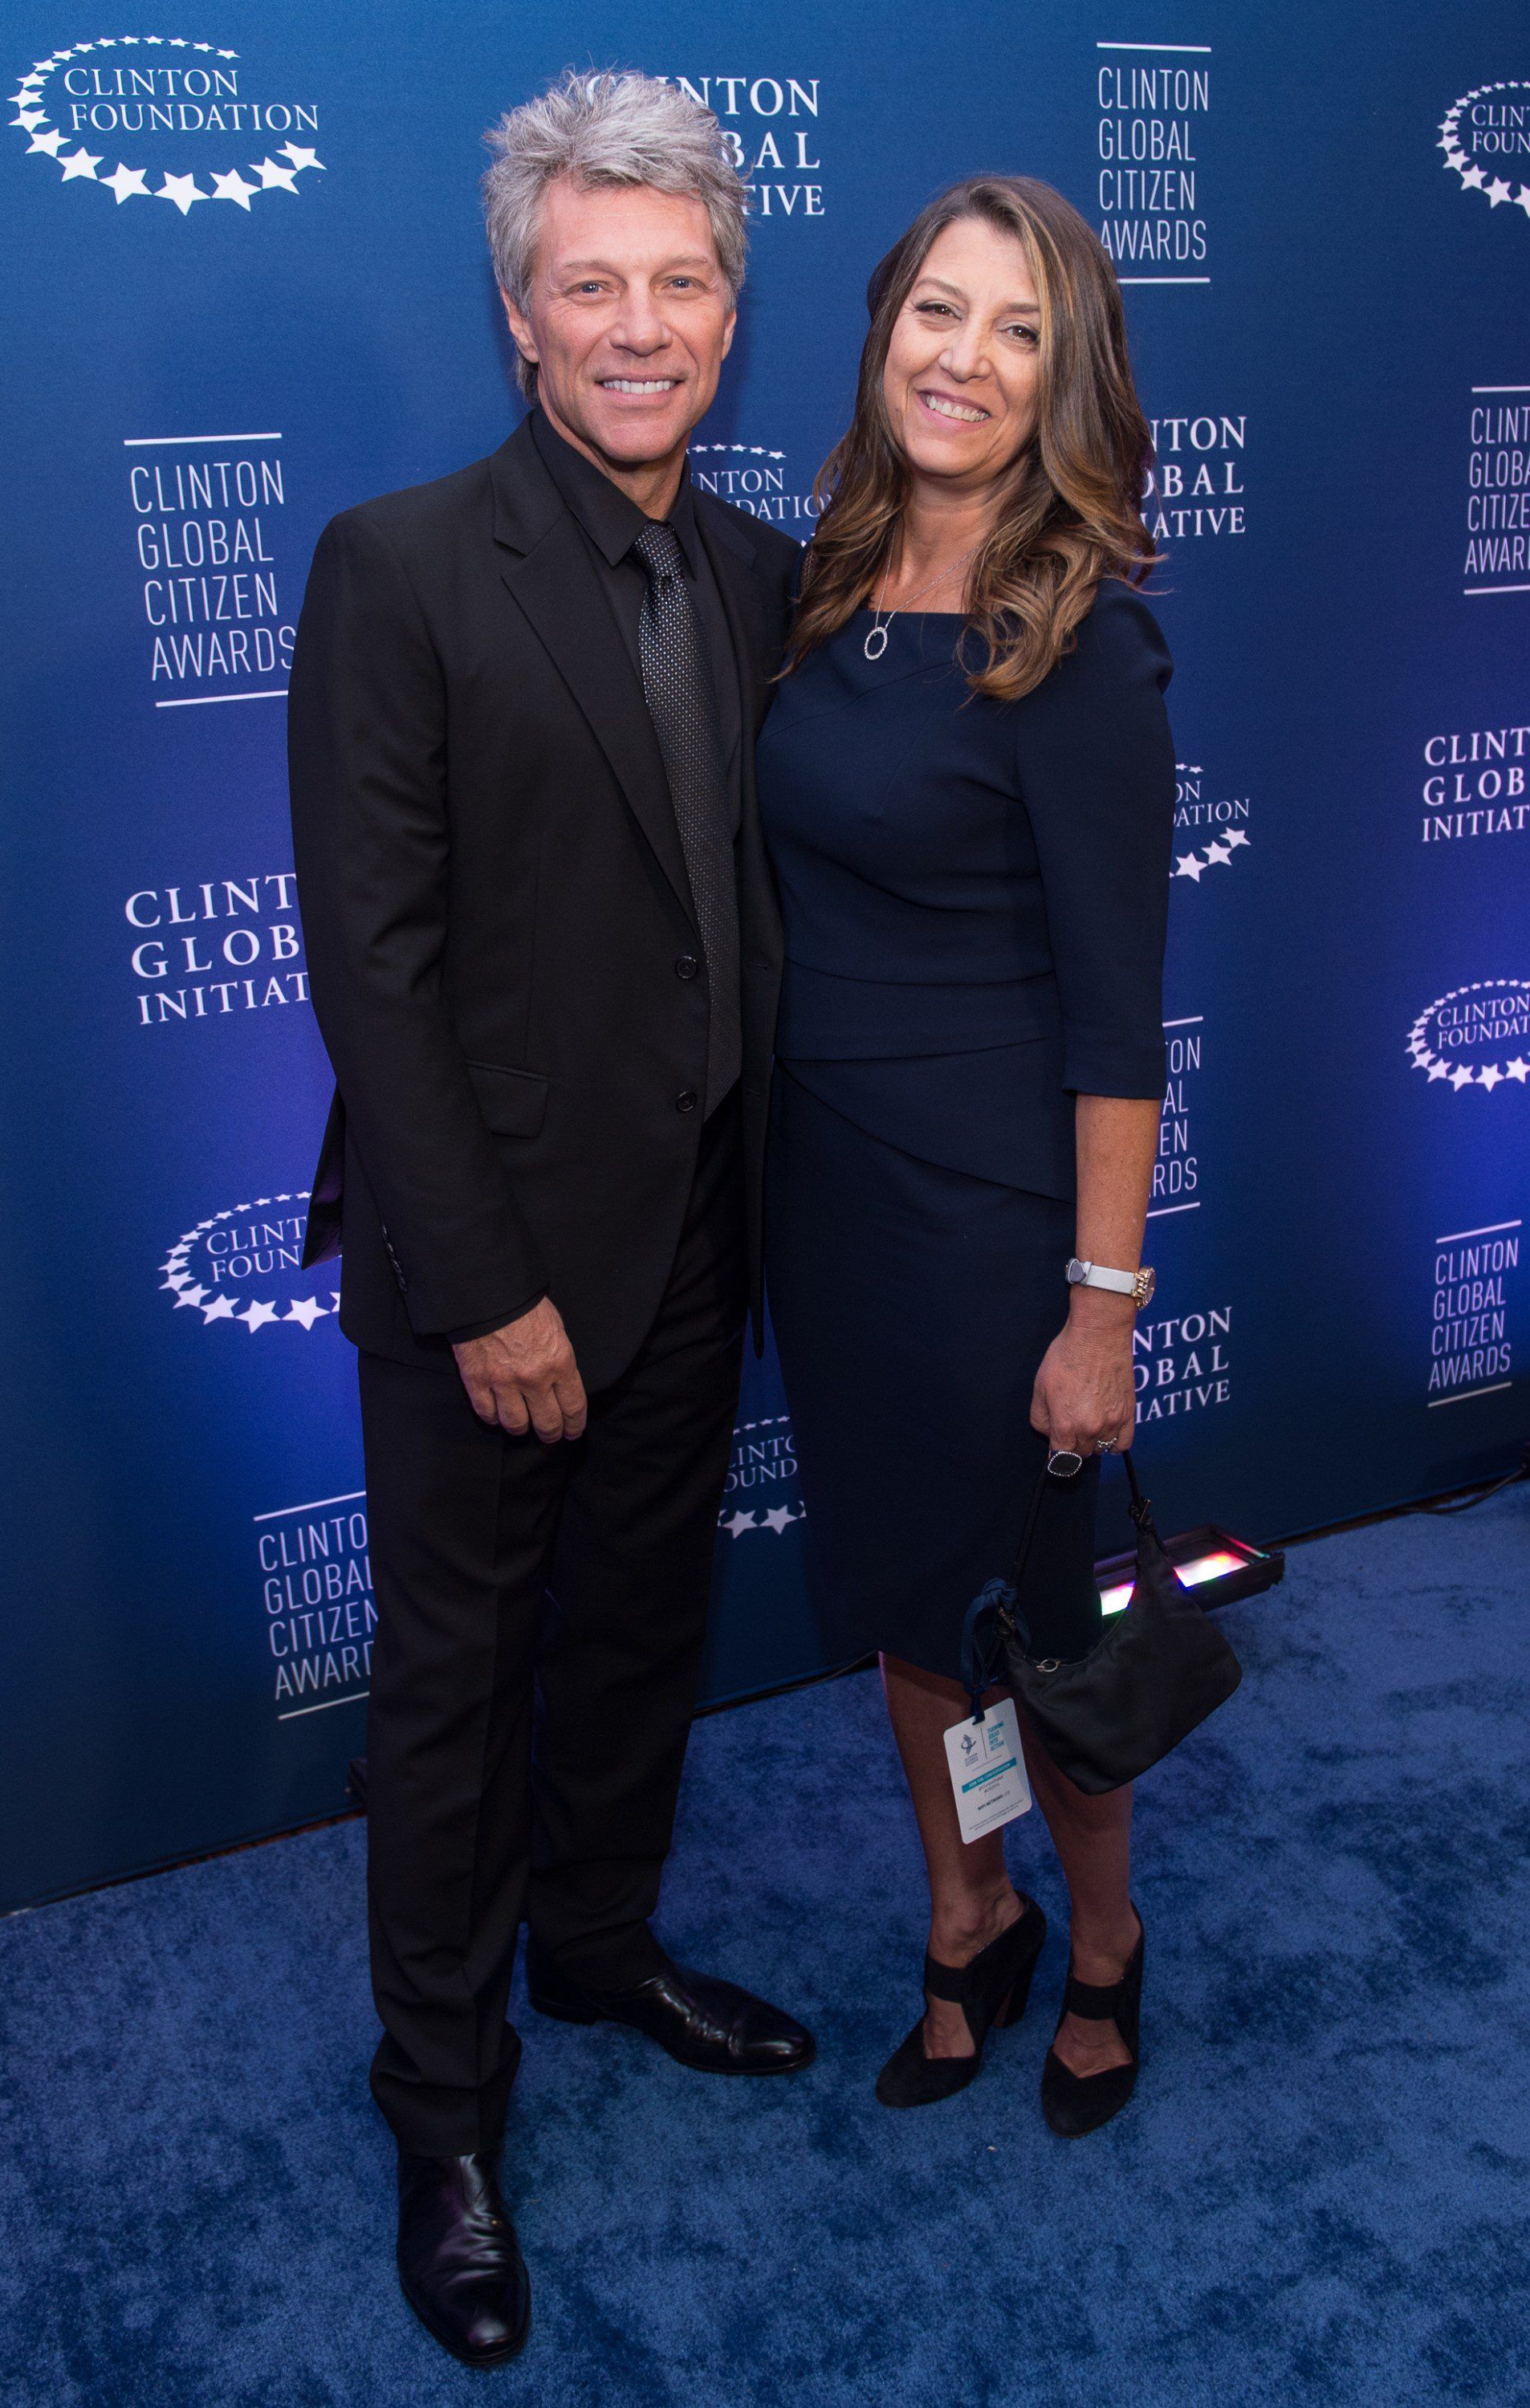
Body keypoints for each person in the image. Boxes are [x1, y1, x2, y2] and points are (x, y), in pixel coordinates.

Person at [288, 71, 813, 2370]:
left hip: (700, 1231)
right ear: (518, 317)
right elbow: (372, 968)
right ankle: (443, 2108)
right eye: (588, 285)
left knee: (634, 1640)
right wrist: (486, 1286)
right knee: (453, 1698)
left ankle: (597, 1950)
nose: (637, 326)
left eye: (678, 283)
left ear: (730, 312)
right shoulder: (401, 566)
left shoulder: (760, 575)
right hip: (483, 1272)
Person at [759, 177, 1173, 2137]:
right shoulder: (818, 588)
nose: (964, 358)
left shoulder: (1079, 642)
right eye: (938, 310)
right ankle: (965, 1908)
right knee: (903, 1608)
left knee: (1029, 1630)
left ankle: (1099, 1940)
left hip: (991, 1233)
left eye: (1019, 330)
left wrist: (1099, 1309)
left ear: (1062, 376)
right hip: (828, 1206)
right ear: (882, 330)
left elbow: (1116, 1022)